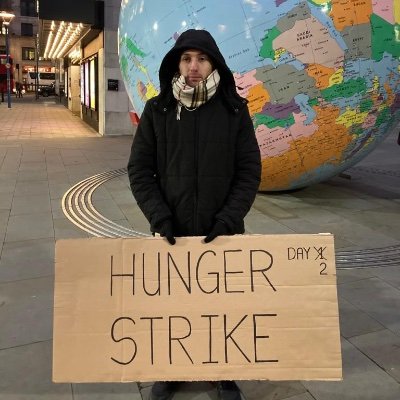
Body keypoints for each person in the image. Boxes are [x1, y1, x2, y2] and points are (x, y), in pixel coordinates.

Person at [127, 29, 261, 400]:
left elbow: (249, 170)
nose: (194, 67)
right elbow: (140, 170)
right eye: (186, 59)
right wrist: (160, 217)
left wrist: (229, 219)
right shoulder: (158, 110)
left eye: (201, 58)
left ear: (213, 62)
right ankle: (171, 369)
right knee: (173, 307)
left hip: (223, 231)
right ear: (176, 64)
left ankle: (225, 372)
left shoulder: (235, 110)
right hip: (172, 231)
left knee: (223, 307)